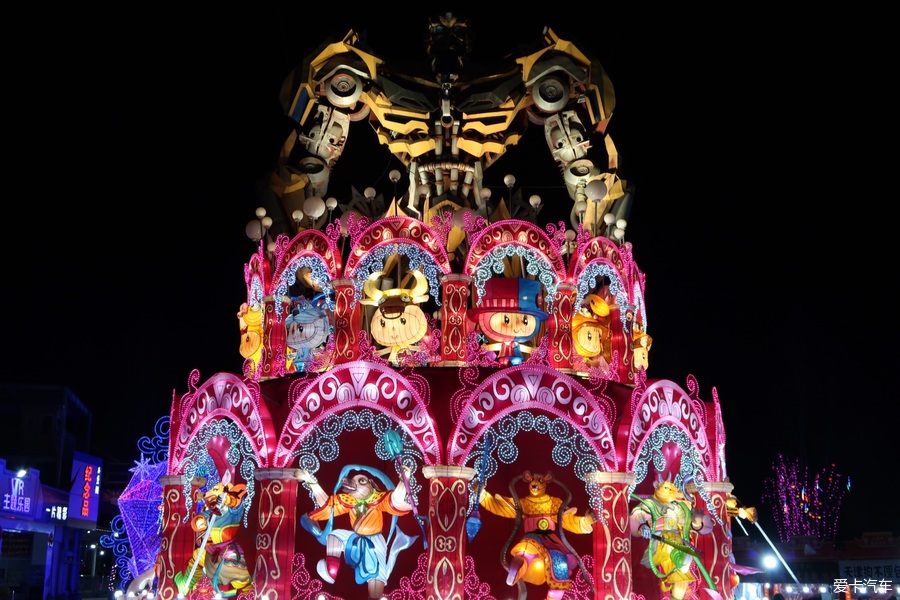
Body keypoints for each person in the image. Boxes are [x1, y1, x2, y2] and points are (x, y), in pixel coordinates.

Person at [297, 465, 419, 599]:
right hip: (355, 537)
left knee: (377, 577)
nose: (355, 483)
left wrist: (403, 480)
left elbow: (395, 500)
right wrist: (312, 482)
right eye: (353, 480)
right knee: (334, 536)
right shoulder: (349, 501)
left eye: (361, 481)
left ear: (372, 485)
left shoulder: (378, 500)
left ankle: (375, 597)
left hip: (375, 541)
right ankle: (331, 570)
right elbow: (327, 504)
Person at [477, 470, 596, 600]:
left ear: (546, 483)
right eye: (532, 483)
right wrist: (482, 494)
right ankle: (518, 568)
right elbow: (502, 507)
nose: (535, 485)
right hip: (532, 535)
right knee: (526, 549)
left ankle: (553, 596)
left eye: (539, 482)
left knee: (560, 564)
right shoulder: (524, 503)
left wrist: (585, 521)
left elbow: (567, 520)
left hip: (551, 540)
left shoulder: (553, 503)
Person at [630, 477, 714, 600]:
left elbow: (687, 523)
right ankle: (680, 564)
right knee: (679, 570)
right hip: (661, 542)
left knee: (682, 578)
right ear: (658, 488)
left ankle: (679, 570)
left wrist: (697, 523)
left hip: (677, 541)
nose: (673, 492)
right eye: (668, 489)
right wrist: (643, 527)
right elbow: (637, 518)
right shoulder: (649, 504)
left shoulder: (677, 506)